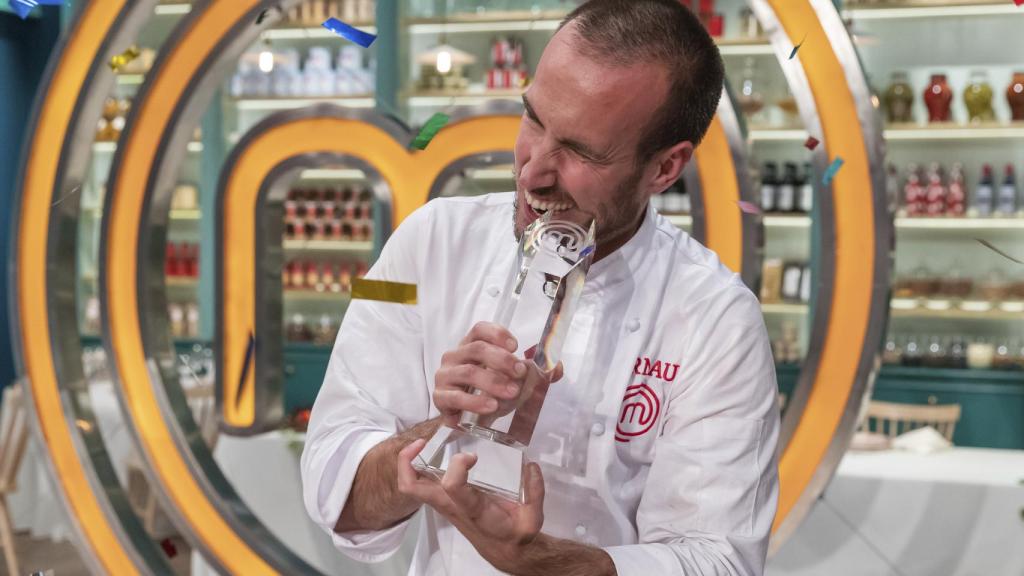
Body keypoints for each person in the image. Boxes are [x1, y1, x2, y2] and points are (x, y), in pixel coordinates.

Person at [300, 0, 779, 574]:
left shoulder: (718, 320)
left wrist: (535, 560)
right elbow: (336, 492)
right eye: (533, 119)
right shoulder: (424, 246)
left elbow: (719, 561)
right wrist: (447, 434)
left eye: (579, 151)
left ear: (665, 168)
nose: (532, 172)